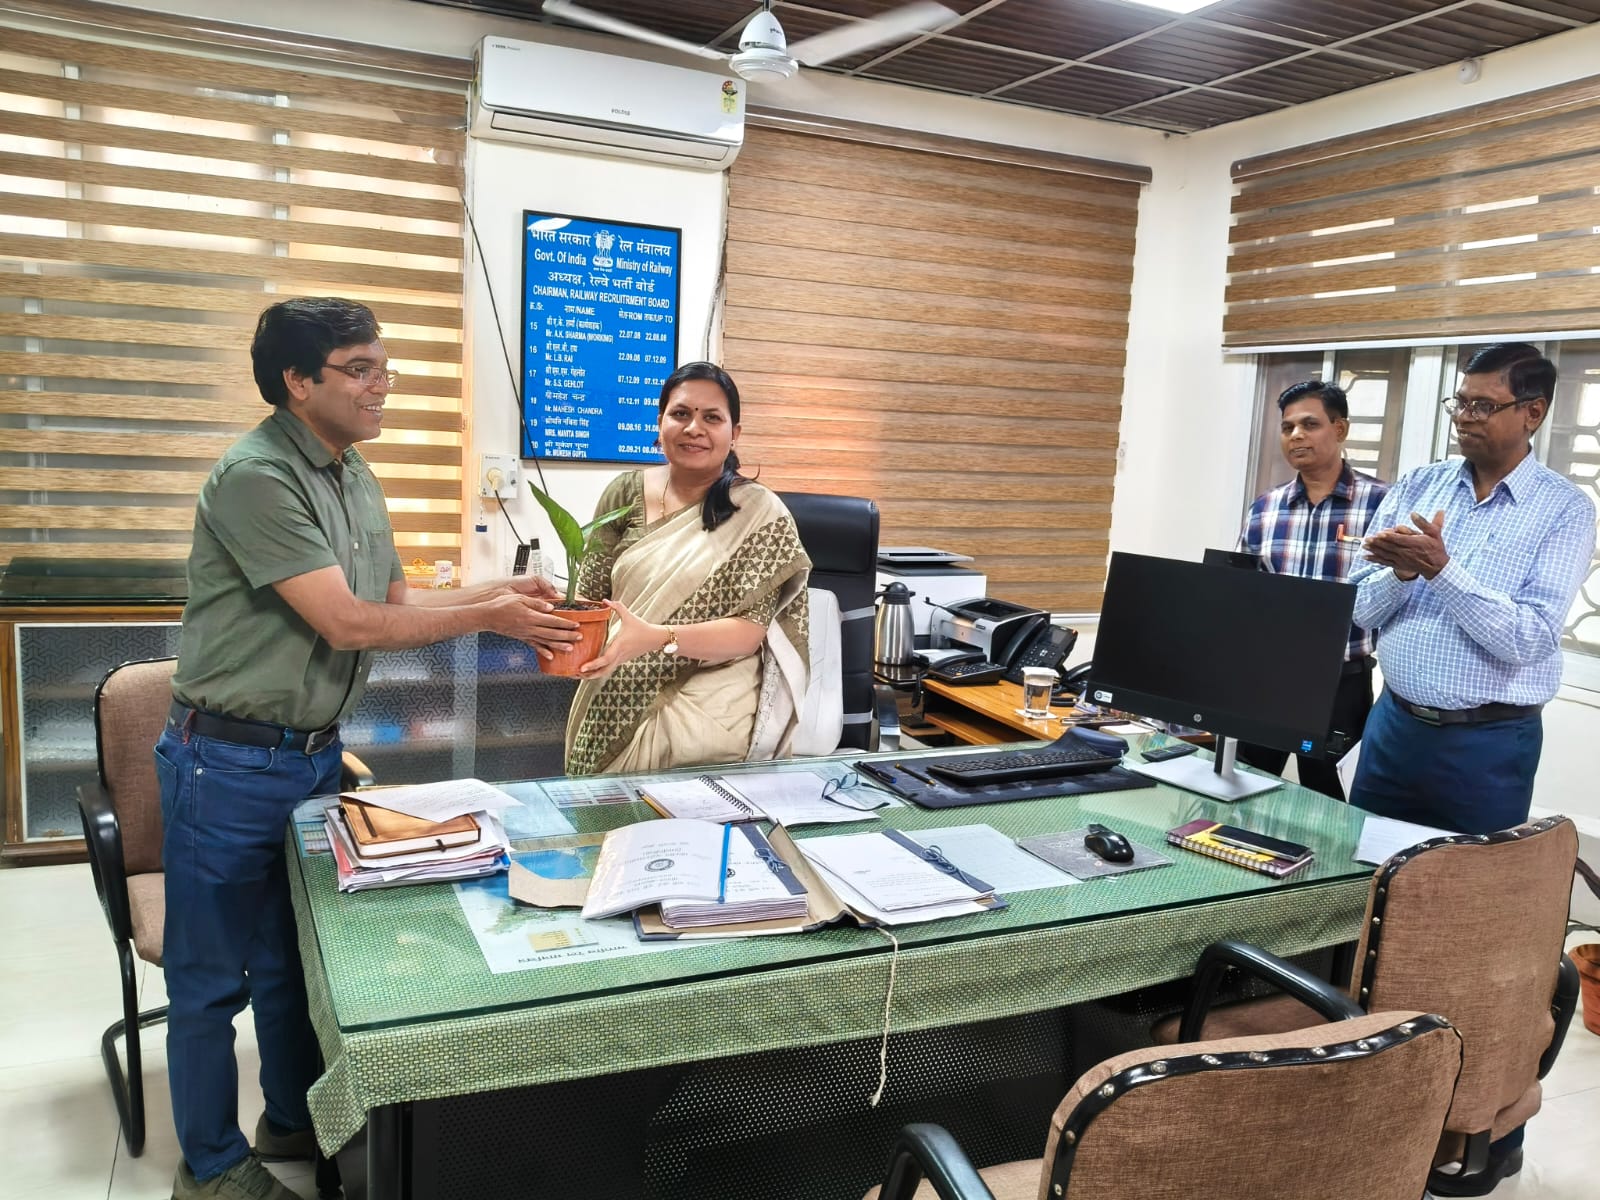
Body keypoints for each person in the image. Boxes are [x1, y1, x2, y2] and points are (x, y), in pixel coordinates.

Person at [156, 298, 580, 1200]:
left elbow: (395, 600)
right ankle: (211, 1166)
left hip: (312, 756)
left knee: (292, 961)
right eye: (360, 369)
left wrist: (498, 595)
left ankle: (289, 1116)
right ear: (297, 381)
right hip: (227, 763)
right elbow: (347, 623)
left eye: (384, 367)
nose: (382, 385)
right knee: (210, 979)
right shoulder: (258, 477)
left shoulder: (352, 472)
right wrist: (491, 621)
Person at [1347, 342, 1595, 1198]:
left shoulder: (1564, 510)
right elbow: (1362, 605)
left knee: (1470, 942)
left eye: (1484, 406)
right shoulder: (1423, 484)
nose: (1465, 418)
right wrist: (1397, 569)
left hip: (1486, 747)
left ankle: (1475, 1129)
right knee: (1368, 913)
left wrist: (1441, 571)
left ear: (1533, 413)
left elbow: (1527, 637)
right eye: (1461, 403)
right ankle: (1366, 1104)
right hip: (1392, 731)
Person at [564, 361, 812, 776]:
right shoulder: (623, 493)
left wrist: (657, 638)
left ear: (734, 432)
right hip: (613, 695)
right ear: (659, 423)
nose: (694, 428)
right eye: (681, 413)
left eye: (712, 417)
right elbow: (590, 601)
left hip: (707, 716)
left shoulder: (760, 513)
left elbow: (749, 633)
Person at [1236, 380, 1389, 799]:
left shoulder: (1381, 504)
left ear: (1340, 429)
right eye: (1287, 428)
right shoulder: (1265, 508)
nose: (1296, 436)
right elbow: (1243, 593)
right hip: (1268, 677)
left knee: (1332, 800)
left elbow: (1395, 591)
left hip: (1341, 682)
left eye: (1310, 424)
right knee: (1244, 786)